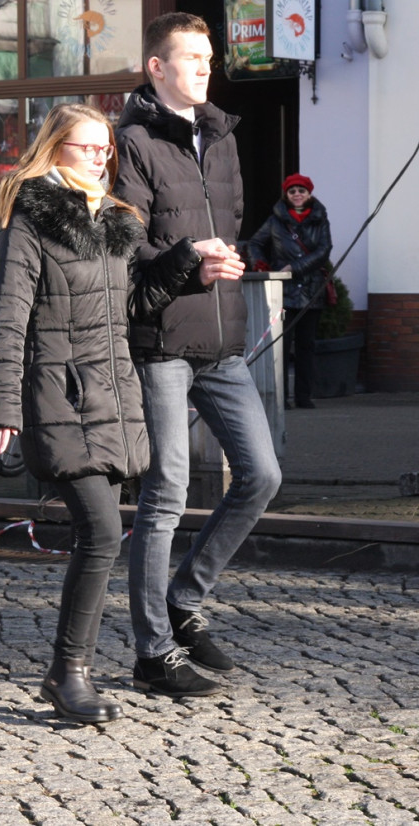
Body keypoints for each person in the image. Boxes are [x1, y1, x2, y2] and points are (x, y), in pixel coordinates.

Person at [0, 104, 205, 722]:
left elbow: (132, 301)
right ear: (55, 150)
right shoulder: (31, 216)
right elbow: (9, 317)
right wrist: (2, 406)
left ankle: (67, 671)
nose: (100, 158)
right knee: (102, 531)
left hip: (111, 394)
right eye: (87, 148)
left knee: (102, 533)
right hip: (58, 391)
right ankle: (67, 672)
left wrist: (187, 260)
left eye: (105, 148)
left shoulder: (110, 218)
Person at [113, 12, 282, 697]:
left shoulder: (220, 137)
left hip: (222, 342)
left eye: (208, 57)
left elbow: (229, 229)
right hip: (160, 342)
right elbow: (127, 249)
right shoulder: (132, 143)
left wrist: (228, 261)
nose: (205, 67)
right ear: (158, 67)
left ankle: (185, 598)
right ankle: (153, 651)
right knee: (167, 495)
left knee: (263, 476)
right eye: (190, 57)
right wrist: (192, 260)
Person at [248, 173, 332, 410]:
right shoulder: (275, 220)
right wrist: (261, 265)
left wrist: (293, 268)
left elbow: (324, 250)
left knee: (307, 346)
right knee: (281, 348)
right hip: (282, 291)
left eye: (301, 191)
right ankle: (281, 397)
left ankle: (304, 396)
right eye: (292, 191)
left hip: (310, 291)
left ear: (309, 194)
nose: (297, 194)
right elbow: (255, 243)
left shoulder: (320, 219)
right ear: (286, 194)